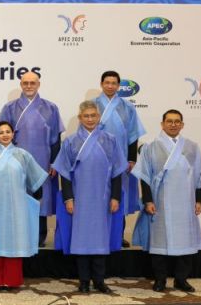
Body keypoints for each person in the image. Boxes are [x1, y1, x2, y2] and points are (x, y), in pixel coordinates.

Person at [53, 101, 124, 294]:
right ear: (80, 118)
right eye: (86, 116)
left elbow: (117, 171)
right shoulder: (70, 141)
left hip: (103, 197)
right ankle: (84, 281)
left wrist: (115, 197)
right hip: (80, 198)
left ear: (99, 117)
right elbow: (64, 173)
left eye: (93, 115)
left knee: (100, 239)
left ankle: (99, 281)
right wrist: (68, 198)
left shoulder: (110, 140)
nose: (90, 119)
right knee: (82, 239)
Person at [132, 110, 201, 293]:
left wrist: (199, 200)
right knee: (159, 243)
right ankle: (160, 280)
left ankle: (181, 280)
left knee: (185, 242)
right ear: (162, 124)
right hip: (160, 201)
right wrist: (148, 200)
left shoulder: (192, 147)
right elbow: (145, 176)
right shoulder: (151, 147)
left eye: (177, 121)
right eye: (169, 121)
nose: (173, 124)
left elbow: (199, 174)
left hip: (185, 202)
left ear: (182, 125)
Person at [0, 121, 48, 291]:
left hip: (17, 206)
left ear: (13, 134)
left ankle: (11, 279)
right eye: (1, 132)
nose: (5, 135)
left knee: (15, 240)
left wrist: (38, 197)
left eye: (8, 131)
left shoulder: (23, 155)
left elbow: (35, 179)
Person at [0, 71, 64, 247]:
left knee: (41, 198)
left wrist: (54, 162)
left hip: (43, 160)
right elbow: (2, 135)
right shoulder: (9, 108)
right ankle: (16, 234)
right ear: (21, 85)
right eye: (25, 83)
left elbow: (56, 139)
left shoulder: (51, 108)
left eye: (32, 83)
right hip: (16, 160)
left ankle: (40, 235)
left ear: (38, 84)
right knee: (17, 196)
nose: (29, 86)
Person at [95, 70, 145, 246]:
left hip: (121, 158)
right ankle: (98, 234)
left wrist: (131, 159)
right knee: (97, 195)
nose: (110, 86)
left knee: (119, 196)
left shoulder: (127, 107)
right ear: (101, 84)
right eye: (107, 82)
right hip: (96, 158)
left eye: (114, 83)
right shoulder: (92, 105)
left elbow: (133, 134)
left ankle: (118, 234)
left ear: (118, 86)